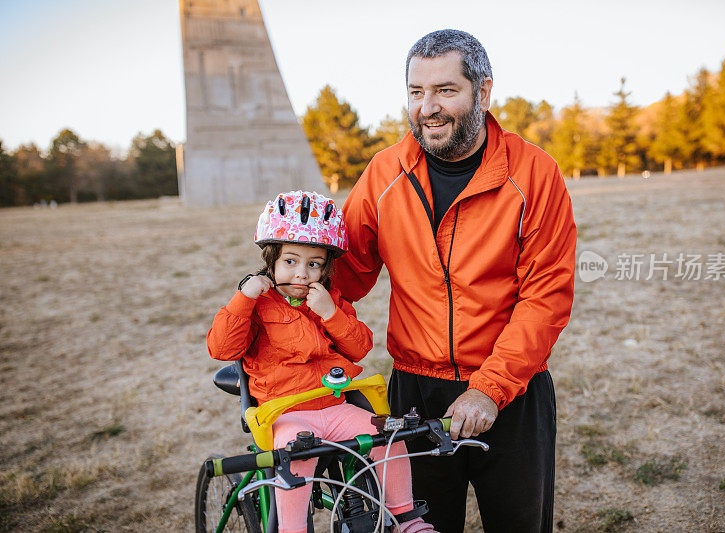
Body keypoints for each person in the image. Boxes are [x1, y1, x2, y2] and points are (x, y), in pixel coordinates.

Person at [333, 30, 577, 533]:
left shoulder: (533, 173)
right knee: (419, 527)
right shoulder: (383, 174)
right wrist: (286, 281)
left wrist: (490, 389)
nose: (428, 108)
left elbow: (545, 297)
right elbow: (343, 279)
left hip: (512, 393)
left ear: (483, 93)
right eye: (416, 92)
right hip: (414, 395)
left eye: (445, 90)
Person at [207, 191, 435, 533]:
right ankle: (293, 529)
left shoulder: (330, 300)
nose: (302, 274)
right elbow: (222, 347)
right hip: (286, 411)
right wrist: (244, 298)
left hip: (334, 405)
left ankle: (407, 520)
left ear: (326, 267)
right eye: (290, 261)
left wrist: (330, 313)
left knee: (388, 435)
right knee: (296, 454)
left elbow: (358, 348)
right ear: (270, 261)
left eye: (314, 264)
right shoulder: (257, 304)